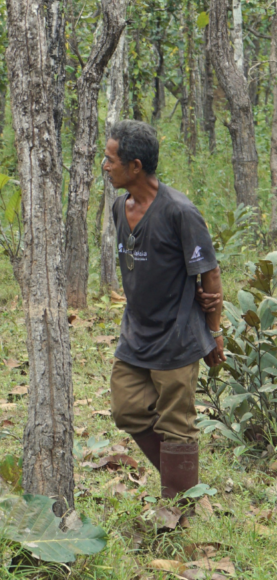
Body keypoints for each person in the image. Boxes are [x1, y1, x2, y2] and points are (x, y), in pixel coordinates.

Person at [102, 120, 225, 506]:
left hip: (177, 334)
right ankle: (187, 492)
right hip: (137, 333)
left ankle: (179, 508)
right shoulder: (120, 206)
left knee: (176, 425)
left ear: (134, 166)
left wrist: (214, 332)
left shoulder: (180, 211)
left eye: (110, 160)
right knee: (127, 408)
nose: (105, 166)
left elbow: (209, 271)